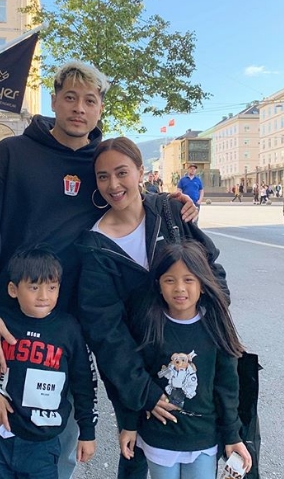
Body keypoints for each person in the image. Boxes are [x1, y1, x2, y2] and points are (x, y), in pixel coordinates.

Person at [0, 60, 197, 479]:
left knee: (59, 452)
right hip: (9, 325)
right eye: (70, 97)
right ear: (54, 101)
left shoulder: (99, 167)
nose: (79, 108)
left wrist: (171, 202)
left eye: (89, 100)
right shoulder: (10, 156)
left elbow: (130, 198)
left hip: (69, 331)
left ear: (100, 108)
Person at [77, 138, 229, 478]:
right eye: (103, 176)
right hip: (136, 369)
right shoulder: (95, 247)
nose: (113, 184)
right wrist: (140, 390)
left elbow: (211, 271)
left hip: (190, 356)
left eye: (122, 173)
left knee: (202, 440)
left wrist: (209, 323)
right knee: (134, 454)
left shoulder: (171, 212)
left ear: (140, 172)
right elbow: (105, 330)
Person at [119, 240, 252, 479]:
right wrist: (129, 424)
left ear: (203, 284)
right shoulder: (149, 324)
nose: (179, 288)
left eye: (189, 279)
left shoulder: (216, 326)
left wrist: (233, 435)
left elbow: (227, 386)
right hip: (159, 438)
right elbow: (135, 376)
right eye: (170, 280)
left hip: (203, 438)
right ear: (159, 285)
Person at [0, 247, 97, 479]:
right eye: (34, 287)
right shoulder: (2, 324)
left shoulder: (69, 330)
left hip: (43, 447)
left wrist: (87, 432)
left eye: (52, 287)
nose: (43, 296)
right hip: (0, 439)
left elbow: (84, 383)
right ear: (13, 289)